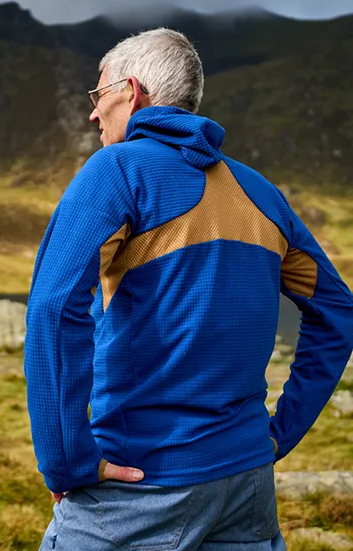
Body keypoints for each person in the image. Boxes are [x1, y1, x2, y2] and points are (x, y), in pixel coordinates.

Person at [25, 28, 353, 550]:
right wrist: (275, 436)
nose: (93, 114)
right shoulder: (261, 193)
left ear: (130, 92)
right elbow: (338, 312)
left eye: (98, 95)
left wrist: (66, 462)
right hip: (245, 486)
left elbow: (53, 307)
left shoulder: (118, 169)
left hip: (138, 484)